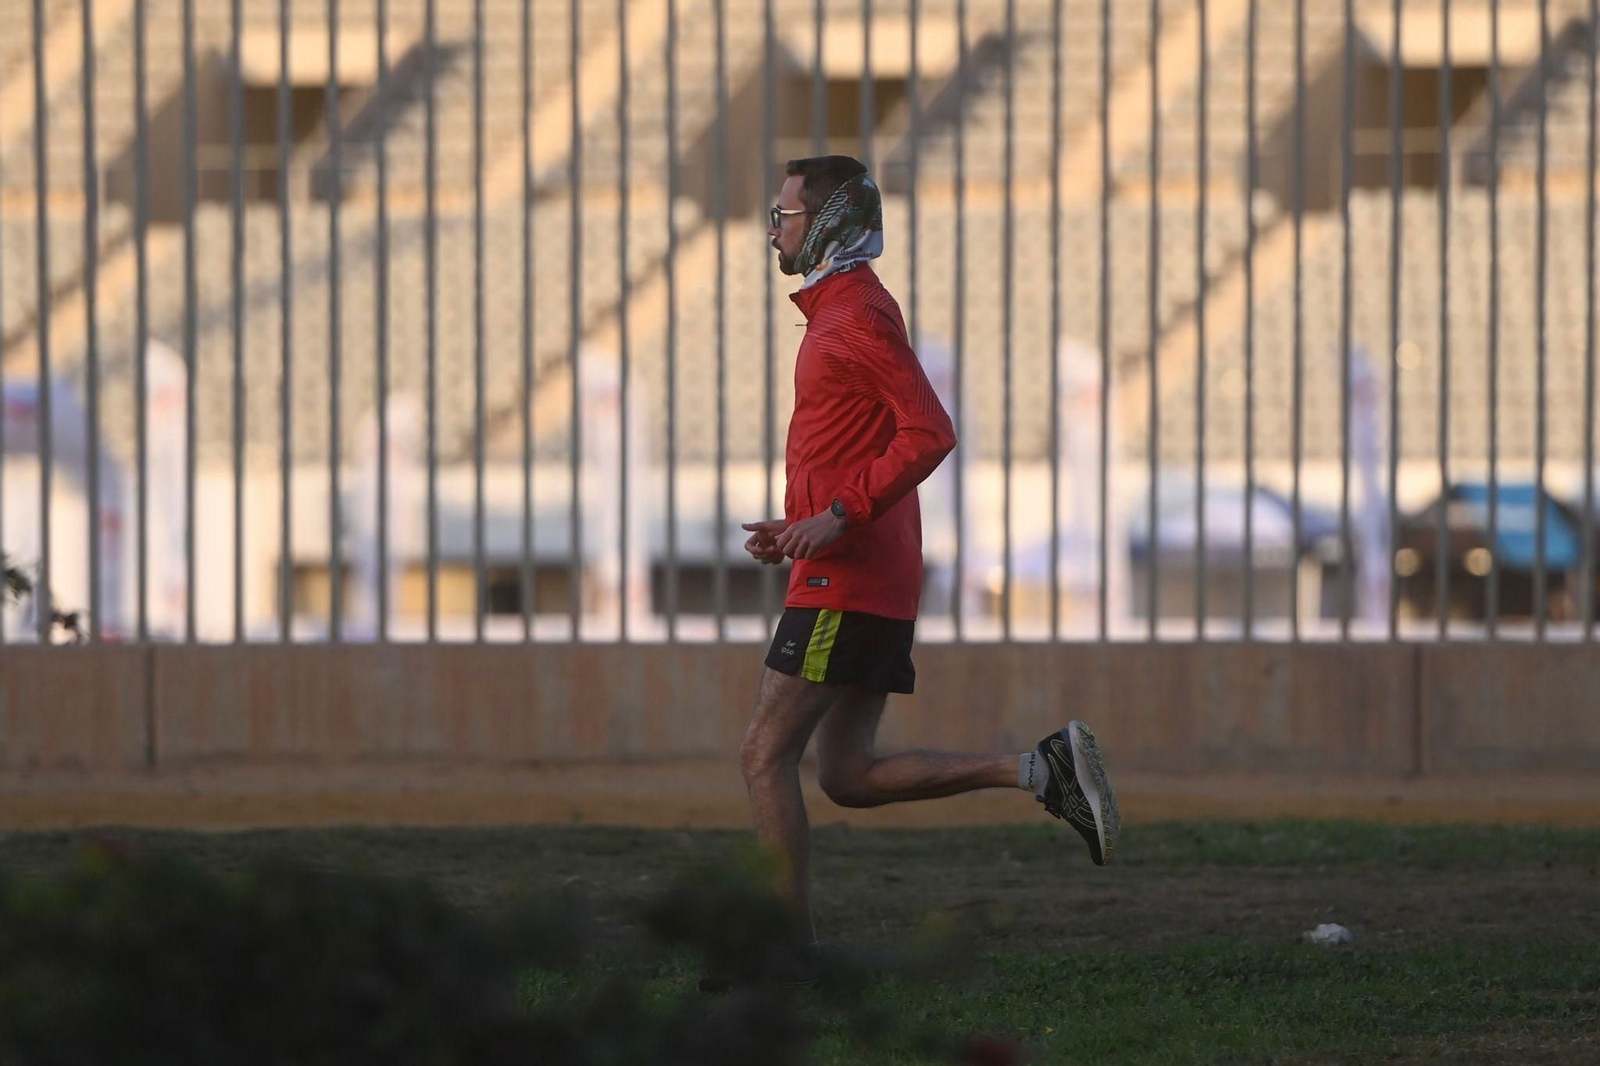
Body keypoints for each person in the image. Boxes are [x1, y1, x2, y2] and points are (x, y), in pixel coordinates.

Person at [731, 155, 1120, 984]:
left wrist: (837, 517)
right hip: (856, 564)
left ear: (827, 221)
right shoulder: (841, 311)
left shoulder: (856, 318)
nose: (774, 227)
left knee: (764, 755)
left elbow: (929, 431)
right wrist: (800, 523)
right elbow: (859, 443)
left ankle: (786, 956)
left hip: (851, 572)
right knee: (846, 775)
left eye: (785, 213)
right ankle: (1039, 769)